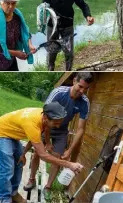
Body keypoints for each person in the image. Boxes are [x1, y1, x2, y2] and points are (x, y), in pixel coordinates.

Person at [0, 102, 84, 203]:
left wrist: (25, 153)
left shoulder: (44, 117)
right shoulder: (32, 123)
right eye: (55, 123)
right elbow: (43, 155)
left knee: (19, 162)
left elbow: (45, 129)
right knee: (7, 168)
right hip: (0, 132)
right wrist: (69, 164)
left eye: (59, 123)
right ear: (45, 118)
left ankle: (13, 193)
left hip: (12, 134)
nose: (57, 126)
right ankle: (4, 198)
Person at [25, 72, 93, 200]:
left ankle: (48, 187)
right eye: (80, 86)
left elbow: (80, 129)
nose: (82, 91)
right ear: (74, 81)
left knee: (58, 158)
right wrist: (47, 141)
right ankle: (31, 179)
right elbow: (44, 117)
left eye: (86, 89)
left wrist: (69, 151)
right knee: (37, 154)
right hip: (46, 126)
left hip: (62, 131)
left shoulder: (85, 102)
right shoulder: (58, 93)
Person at [43, 0, 95, 71]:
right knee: (52, 51)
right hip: (52, 26)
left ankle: (68, 70)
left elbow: (82, 4)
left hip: (68, 25)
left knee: (69, 52)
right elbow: (43, 9)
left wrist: (88, 16)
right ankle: (50, 69)